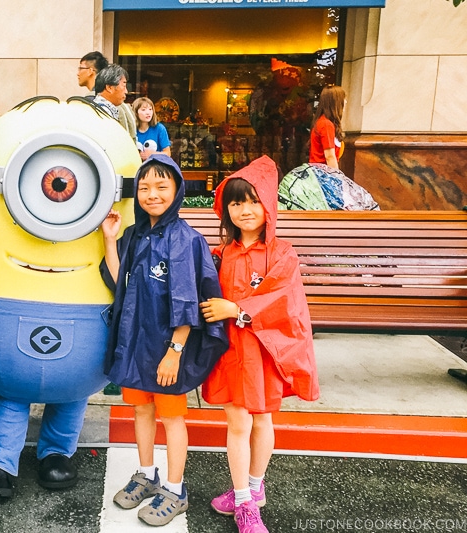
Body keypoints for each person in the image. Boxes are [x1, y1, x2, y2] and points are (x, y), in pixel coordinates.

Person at [100, 154, 228, 527]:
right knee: (141, 411)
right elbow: (118, 281)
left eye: (161, 186)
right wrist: (110, 240)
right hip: (137, 344)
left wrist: (174, 352)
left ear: (177, 191)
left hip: (169, 347)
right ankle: (146, 473)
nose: (152, 194)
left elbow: (189, 301)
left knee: (172, 418)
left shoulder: (186, 240)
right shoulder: (136, 236)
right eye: (144, 188)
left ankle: (175, 488)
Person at [200, 156, 319, 533]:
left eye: (253, 201)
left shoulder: (281, 253)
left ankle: (252, 490)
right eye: (236, 203)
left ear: (268, 204)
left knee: (262, 418)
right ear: (225, 208)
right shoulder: (221, 253)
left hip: (263, 351)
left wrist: (234, 308)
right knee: (237, 421)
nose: (245, 210)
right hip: (232, 351)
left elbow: (283, 297)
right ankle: (243, 498)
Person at [78, 52, 137, 141]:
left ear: (90, 70)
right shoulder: (106, 107)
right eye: (123, 86)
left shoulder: (96, 106)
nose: (78, 73)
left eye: (80, 68)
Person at [309, 85, 346, 170]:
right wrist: (336, 178)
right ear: (336, 101)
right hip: (323, 175)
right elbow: (330, 156)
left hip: (319, 174)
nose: (345, 102)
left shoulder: (323, 122)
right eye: (343, 98)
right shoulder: (326, 125)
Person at [132, 96, 171, 162]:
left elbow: (168, 153)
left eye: (150, 109)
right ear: (136, 113)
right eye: (143, 110)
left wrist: (152, 154)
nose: (148, 112)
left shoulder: (159, 128)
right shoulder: (132, 130)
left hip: (155, 167)